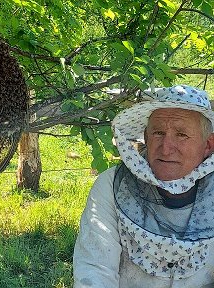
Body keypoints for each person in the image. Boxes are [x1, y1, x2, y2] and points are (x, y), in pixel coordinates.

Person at [73, 85, 214, 288]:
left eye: (181, 135)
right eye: (158, 133)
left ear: (208, 145)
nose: (166, 148)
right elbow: (94, 271)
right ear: (146, 138)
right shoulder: (111, 186)